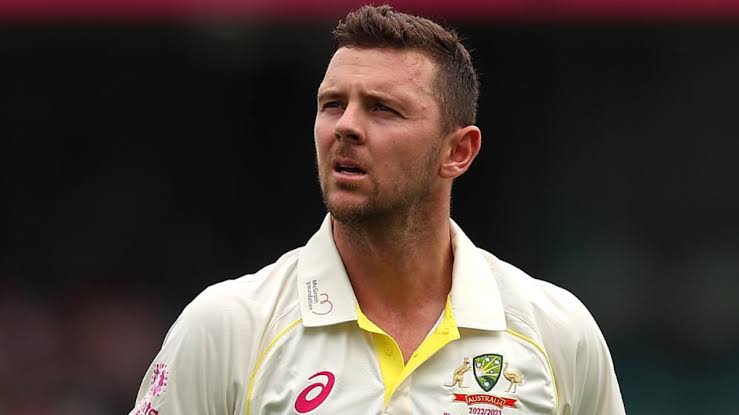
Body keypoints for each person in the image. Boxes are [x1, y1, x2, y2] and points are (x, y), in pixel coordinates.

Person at [130, 5, 625, 415]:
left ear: (458, 152)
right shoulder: (227, 326)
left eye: (382, 108)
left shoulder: (558, 332)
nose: (345, 126)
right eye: (332, 104)